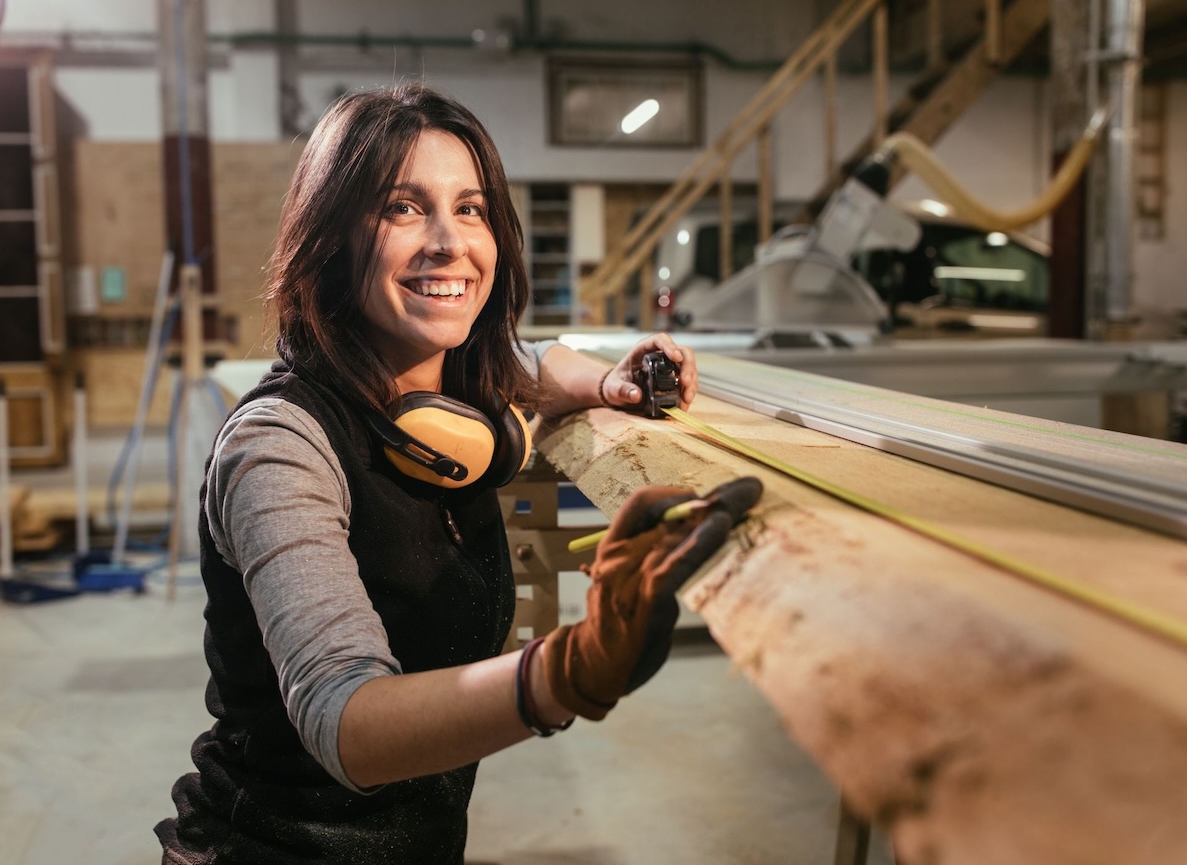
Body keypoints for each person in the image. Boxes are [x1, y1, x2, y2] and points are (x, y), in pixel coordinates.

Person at [155, 83, 761, 864]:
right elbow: (346, 721)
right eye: (403, 207)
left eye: (470, 209)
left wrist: (616, 380)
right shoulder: (280, 443)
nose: (449, 241)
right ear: (331, 238)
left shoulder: (448, 401)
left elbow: (533, 363)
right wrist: (566, 673)